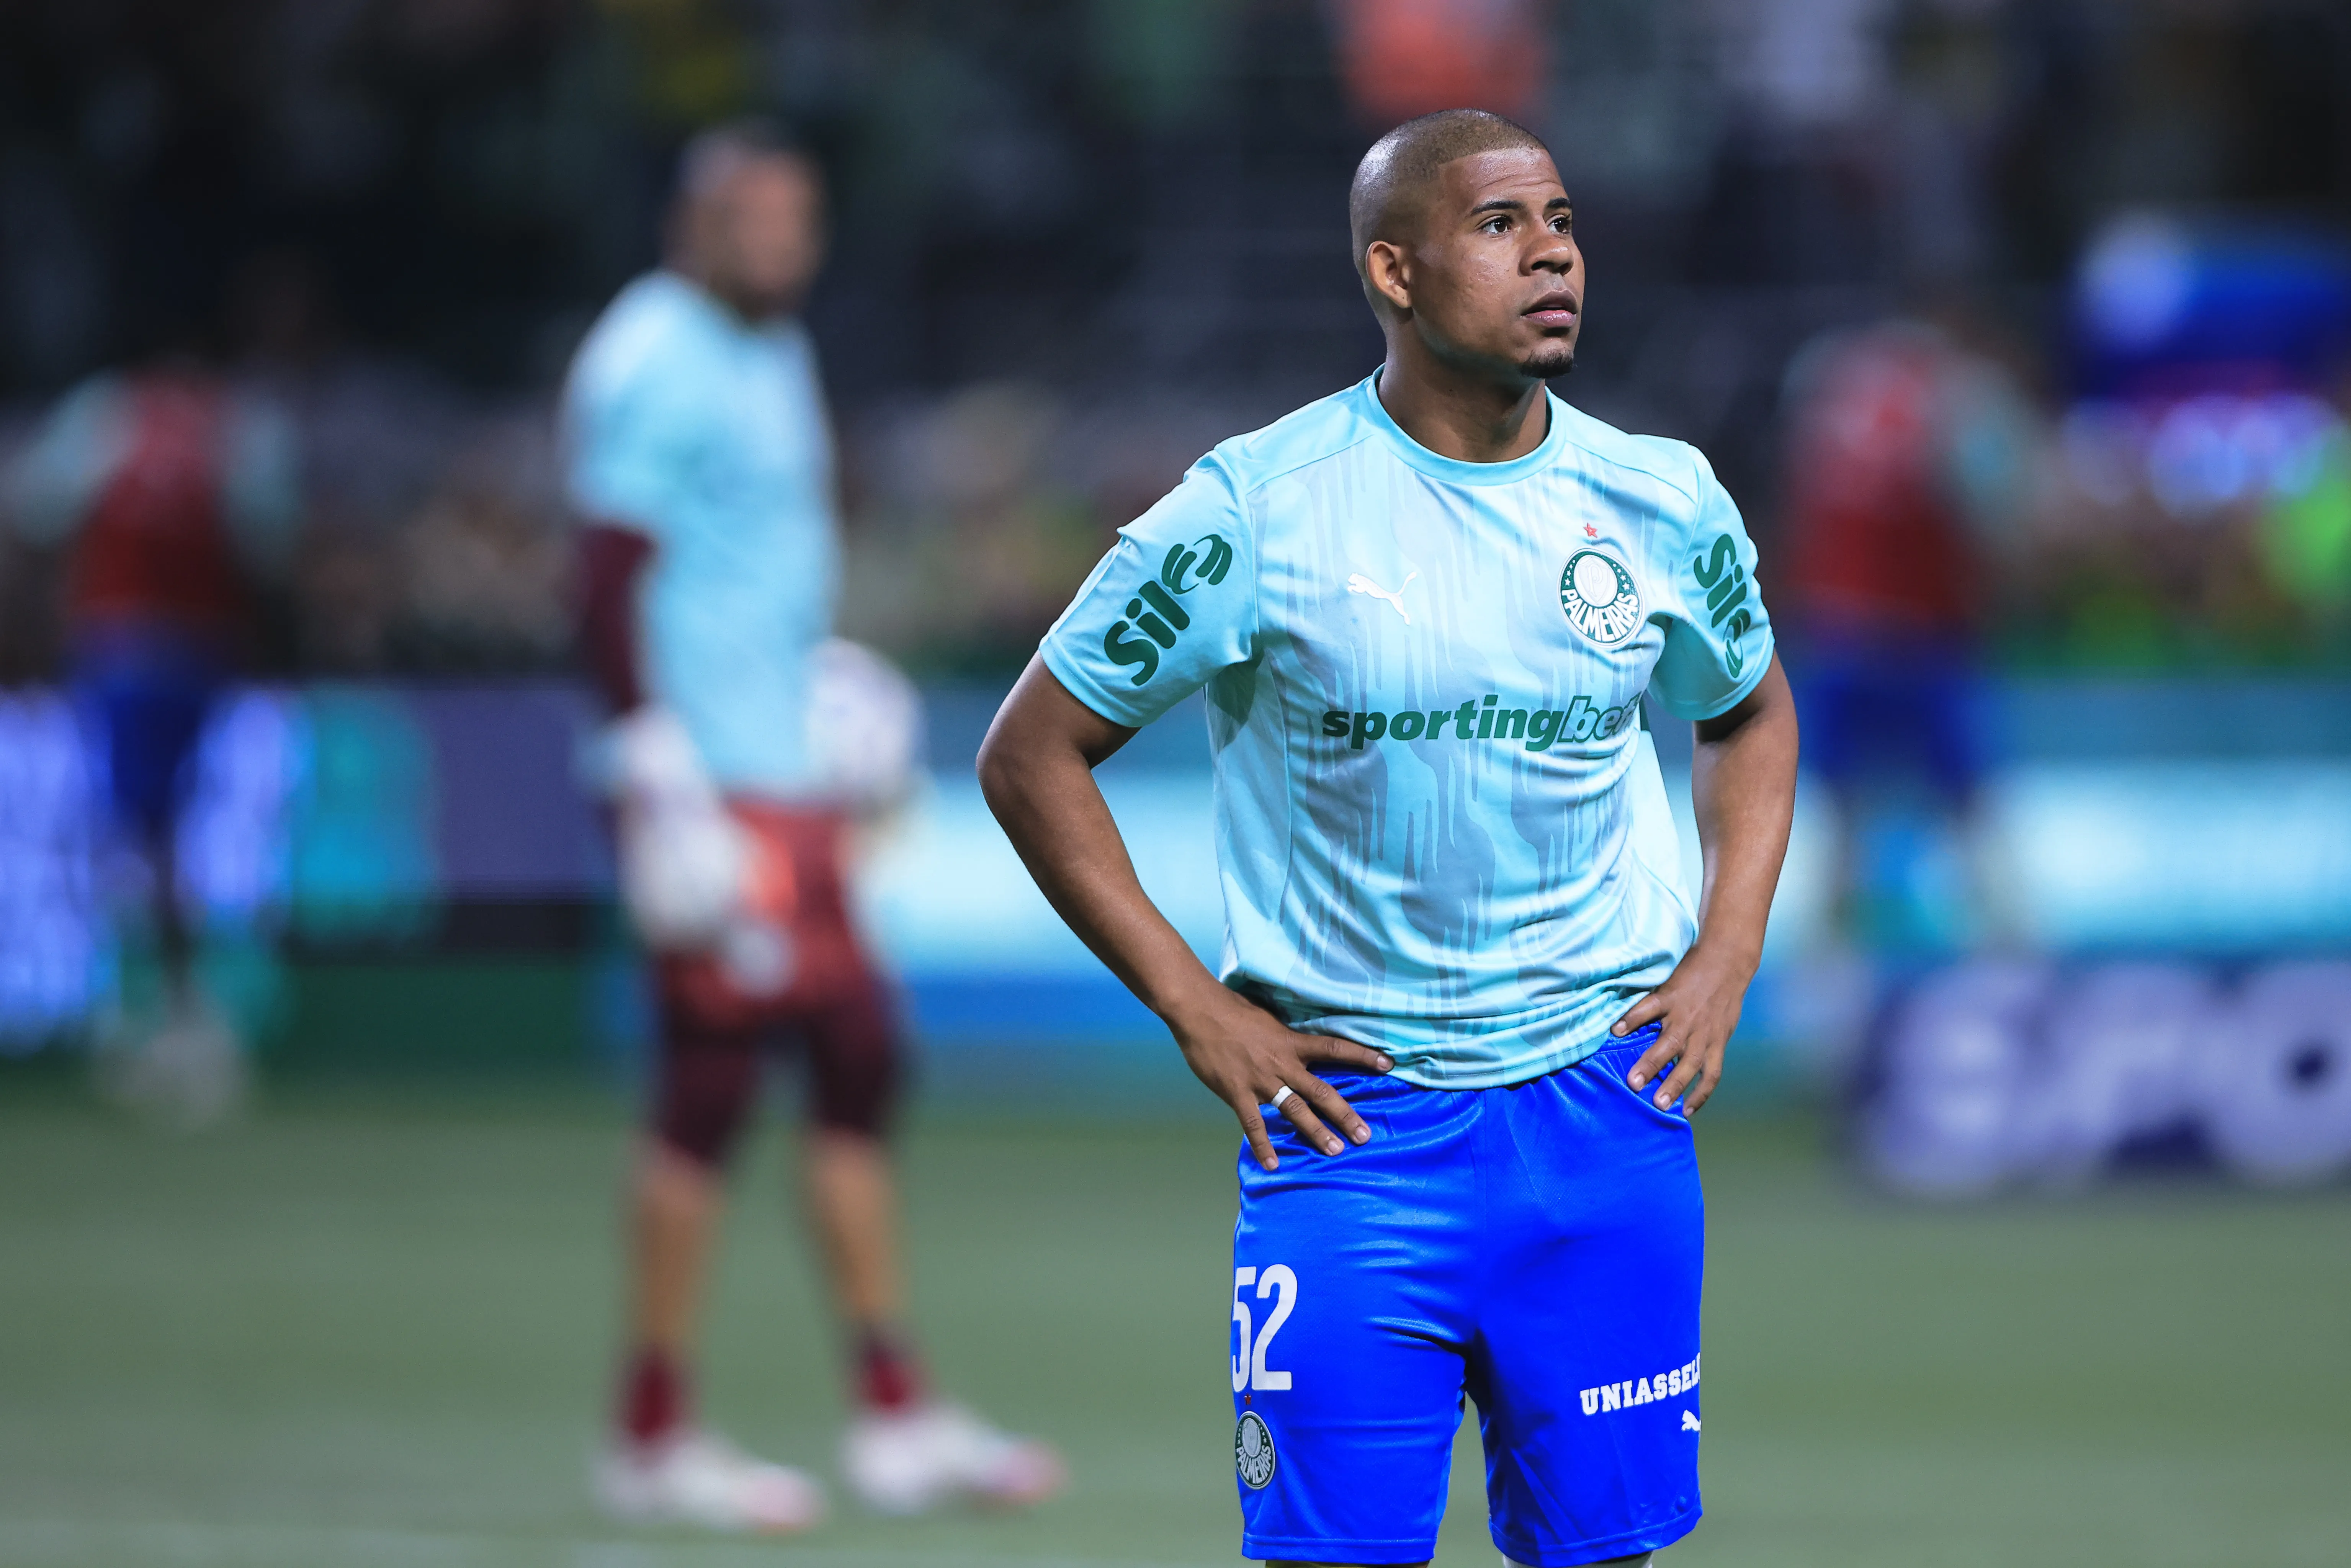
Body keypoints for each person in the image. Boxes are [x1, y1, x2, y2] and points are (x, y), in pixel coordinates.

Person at [978, 110, 1798, 1567]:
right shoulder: (1255, 510)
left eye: (1560, 217)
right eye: (1498, 224)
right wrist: (1198, 1008)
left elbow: (1746, 710)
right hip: (1356, 1138)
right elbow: (1034, 752)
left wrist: (1729, 947)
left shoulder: (1661, 499)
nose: (1552, 250)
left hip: (1602, 1118)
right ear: (1396, 272)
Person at [563, 121, 1063, 1534]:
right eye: (755, 219)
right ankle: (650, 1429)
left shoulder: (769, 348)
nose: (782, 243)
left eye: (800, 219)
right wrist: (650, 763)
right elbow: (603, 577)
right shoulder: (652, 359)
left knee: (857, 1058)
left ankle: (893, 1409)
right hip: (704, 779)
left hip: (779, 766)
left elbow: (742, 557)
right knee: (710, 1081)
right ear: (693, 223)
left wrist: (824, 672)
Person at [7, 347, 297, 1126]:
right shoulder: (236, 427)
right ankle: (165, 1010)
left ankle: (145, 1011)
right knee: (166, 832)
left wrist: (42, 632)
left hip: (123, 649)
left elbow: (35, 518)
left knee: (130, 831)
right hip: (200, 650)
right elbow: (270, 543)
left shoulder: (99, 416)